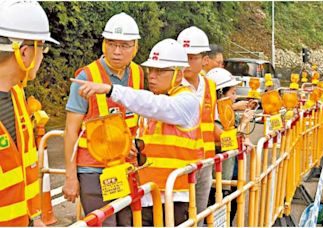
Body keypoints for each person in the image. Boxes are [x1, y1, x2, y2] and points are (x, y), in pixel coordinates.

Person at [71, 38, 202, 226]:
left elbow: (153, 105)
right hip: (147, 194)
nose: (152, 76)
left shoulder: (186, 101)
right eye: (151, 70)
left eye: (160, 71)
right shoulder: (157, 101)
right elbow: (155, 137)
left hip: (173, 197)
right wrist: (136, 147)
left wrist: (110, 89)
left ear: (179, 74)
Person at [62, 12, 144, 226]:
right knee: (104, 223)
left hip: (125, 167)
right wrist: (71, 178)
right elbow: (71, 130)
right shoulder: (86, 77)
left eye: (125, 45)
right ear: (103, 44)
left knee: (128, 223)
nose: (117, 51)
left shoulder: (138, 74)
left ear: (135, 46)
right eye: (111, 43)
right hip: (93, 170)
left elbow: (136, 119)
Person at [0, 0, 59, 226]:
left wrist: (32, 219)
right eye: (42, 48)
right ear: (24, 53)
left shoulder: (16, 96)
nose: (42, 57)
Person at [177, 26, 218, 225]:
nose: (186, 63)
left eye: (192, 57)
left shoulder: (210, 86)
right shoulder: (171, 85)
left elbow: (212, 124)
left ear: (204, 60)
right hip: (180, 163)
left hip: (205, 163)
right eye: (183, 56)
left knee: (199, 214)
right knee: (179, 214)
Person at [205, 68, 255, 225]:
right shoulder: (209, 117)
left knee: (229, 213)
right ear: (220, 93)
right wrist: (244, 124)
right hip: (216, 180)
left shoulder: (226, 113)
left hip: (230, 175)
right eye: (232, 93)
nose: (235, 97)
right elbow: (224, 141)